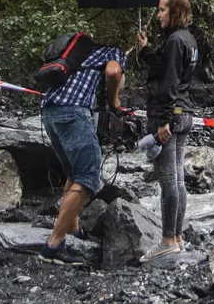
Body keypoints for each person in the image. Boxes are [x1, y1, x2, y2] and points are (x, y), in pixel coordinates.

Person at [38, 30, 141, 265]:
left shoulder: (80, 54)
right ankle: (54, 244)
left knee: (74, 172)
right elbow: (113, 72)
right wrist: (115, 100)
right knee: (88, 175)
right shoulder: (113, 53)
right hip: (74, 111)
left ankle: (72, 227)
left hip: (50, 111)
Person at [136, 0, 199, 265]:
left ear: (174, 11)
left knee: (169, 180)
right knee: (179, 178)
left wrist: (163, 122)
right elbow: (165, 66)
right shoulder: (187, 39)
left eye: (162, 10)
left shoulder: (175, 41)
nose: (158, 14)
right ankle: (178, 237)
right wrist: (145, 50)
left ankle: (167, 241)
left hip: (171, 116)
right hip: (185, 113)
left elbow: (170, 82)